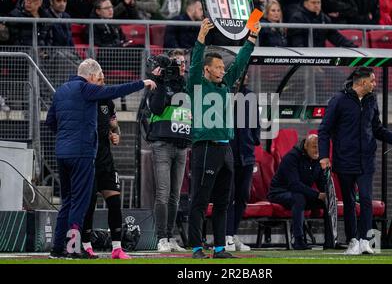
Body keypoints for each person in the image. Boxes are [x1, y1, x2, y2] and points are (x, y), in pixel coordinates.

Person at [46, 59, 156, 259]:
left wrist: (66, 136)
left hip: (62, 153)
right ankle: (73, 248)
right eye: (99, 78)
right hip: (82, 153)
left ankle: (56, 249)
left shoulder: (61, 91)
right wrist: (142, 83)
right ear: (91, 76)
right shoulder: (85, 88)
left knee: (67, 201)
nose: (100, 83)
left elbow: (50, 121)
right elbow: (114, 91)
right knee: (79, 203)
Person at [187, 18, 261, 259]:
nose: (222, 70)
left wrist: (251, 38)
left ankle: (220, 248)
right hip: (205, 148)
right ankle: (197, 247)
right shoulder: (197, 83)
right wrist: (200, 38)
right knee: (199, 200)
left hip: (225, 149)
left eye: (222, 68)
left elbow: (239, 63)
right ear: (207, 70)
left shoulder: (226, 85)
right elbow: (196, 61)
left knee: (222, 202)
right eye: (218, 67)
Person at [318, 67, 392, 255]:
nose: (375, 84)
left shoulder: (371, 101)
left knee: (365, 199)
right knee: (349, 202)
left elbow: (376, 128)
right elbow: (324, 130)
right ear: (361, 82)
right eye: (372, 81)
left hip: (366, 161)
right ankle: (353, 240)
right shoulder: (338, 100)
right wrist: (324, 156)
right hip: (344, 160)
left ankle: (365, 240)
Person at [80, 74, 131, 260]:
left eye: (104, 80)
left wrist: (116, 135)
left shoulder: (107, 102)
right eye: (100, 80)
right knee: (89, 204)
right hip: (88, 161)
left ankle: (117, 248)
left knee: (115, 202)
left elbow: (114, 126)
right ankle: (86, 245)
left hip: (106, 161)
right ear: (91, 81)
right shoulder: (83, 100)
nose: (103, 83)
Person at [144, 49, 191, 253]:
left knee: (175, 196)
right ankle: (161, 237)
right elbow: (155, 109)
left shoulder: (188, 85)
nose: (181, 66)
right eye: (177, 62)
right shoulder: (158, 83)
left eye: (183, 62)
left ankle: (171, 237)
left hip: (181, 145)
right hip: (162, 144)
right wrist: (161, 80)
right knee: (163, 193)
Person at [268, 134, 332, 250]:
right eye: (314, 147)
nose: (317, 150)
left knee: (327, 202)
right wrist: (318, 195)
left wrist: (328, 195)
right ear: (306, 146)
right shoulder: (292, 157)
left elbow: (321, 183)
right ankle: (298, 241)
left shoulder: (318, 160)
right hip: (279, 193)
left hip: (301, 193)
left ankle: (330, 241)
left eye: (319, 147)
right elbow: (294, 185)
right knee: (299, 197)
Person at [225, 75, 260, 252]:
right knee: (227, 196)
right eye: (242, 72)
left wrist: (254, 139)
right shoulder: (223, 94)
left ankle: (232, 234)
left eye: (247, 73)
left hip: (246, 154)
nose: (245, 76)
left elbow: (256, 124)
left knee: (242, 196)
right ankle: (226, 236)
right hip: (228, 152)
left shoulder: (251, 96)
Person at [287, 0, 357, 48]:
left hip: (320, 56)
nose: (316, 5)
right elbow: (296, 42)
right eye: (313, 3)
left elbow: (335, 37)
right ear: (305, 3)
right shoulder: (297, 18)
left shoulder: (324, 18)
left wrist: (353, 47)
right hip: (304, 58)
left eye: (318, 2)